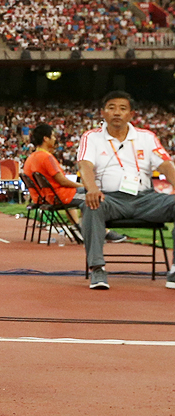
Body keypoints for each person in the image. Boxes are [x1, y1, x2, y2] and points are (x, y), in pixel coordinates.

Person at [76, 91, 175, 291]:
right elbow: (84, 165)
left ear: (131, 114)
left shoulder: (146, 137)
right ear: (102, 112)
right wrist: (92, 188)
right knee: (91, 204)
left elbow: (165, 165)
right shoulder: (91, 137)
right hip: (110, 199)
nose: (117, 113)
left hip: (146, 199)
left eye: (123, 108)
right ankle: (97, 268)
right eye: (111, 107)